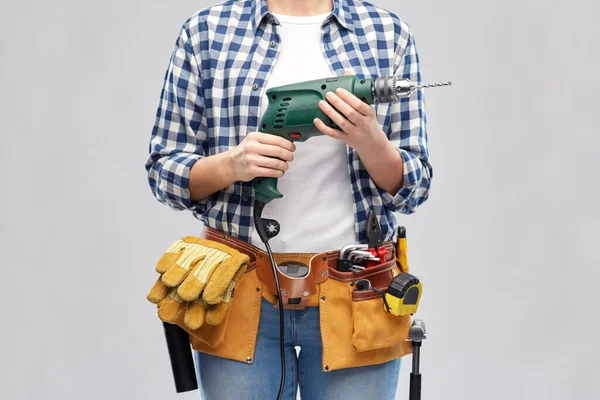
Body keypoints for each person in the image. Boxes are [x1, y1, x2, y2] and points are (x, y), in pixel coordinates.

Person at [145, 0, 432, 399]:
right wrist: (234, 164)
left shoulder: (387, 33)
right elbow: (164, 171)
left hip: (357, 293)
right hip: (239, 291)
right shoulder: (207, 32)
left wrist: (370, 140)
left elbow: (414, 187)